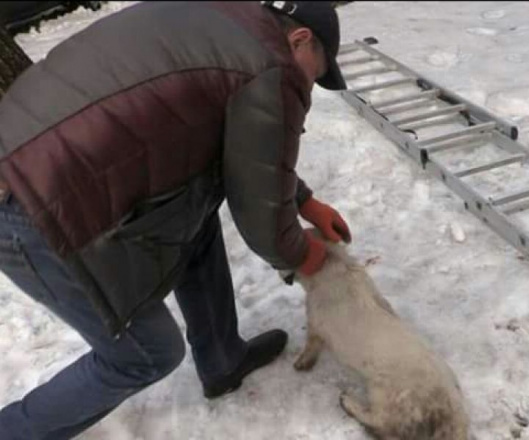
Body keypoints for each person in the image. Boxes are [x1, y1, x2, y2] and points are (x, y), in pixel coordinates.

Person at [0, 1, 351, 438]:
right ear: (299, 39)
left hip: (28, 152)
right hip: (28, 201)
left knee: (193, 214)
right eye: (313, 75)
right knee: (146, 352)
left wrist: (304, 201)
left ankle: (222, 360)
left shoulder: (228, 19)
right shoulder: (273, 65)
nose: (308, 88)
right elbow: (264, 222)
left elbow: (246, 150)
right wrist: (302, 252)